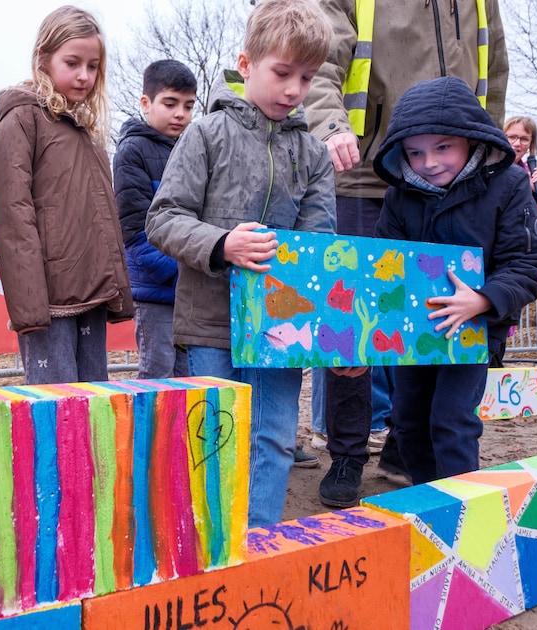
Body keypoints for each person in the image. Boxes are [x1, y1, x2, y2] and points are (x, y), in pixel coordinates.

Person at [147, 0, 352, 528]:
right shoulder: (205, 134)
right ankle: (213, 547)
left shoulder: (312, 153)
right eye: (282, 73)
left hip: (282, 329)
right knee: (214, 443)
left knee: (275, 438)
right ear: (246, 63)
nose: (294, 90)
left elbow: (319, 246)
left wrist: (330, 324)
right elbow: (164, 217)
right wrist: (222, 246)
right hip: (211, 325)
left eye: (306, 78)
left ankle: (258, 541)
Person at [304, 0, 509, 505]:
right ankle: (349, 452)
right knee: (354, 319)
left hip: (450, 180)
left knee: (437, 310)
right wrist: (331, 126)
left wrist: (491, 154)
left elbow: (495, 70)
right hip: (364, 168)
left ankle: (405, 443)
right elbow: (323, 56)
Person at [372, 76, 537, 484]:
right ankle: (426, 498)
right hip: (417, 329)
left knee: (451, 419)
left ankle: (461, 509)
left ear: (470, 140)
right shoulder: (399, 198)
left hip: (476, 327)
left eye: (442, 147)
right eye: (415, 152)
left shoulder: (508, 185)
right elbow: (385, 267)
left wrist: (484, 299)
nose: (429, 162)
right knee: (407, 419)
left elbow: (531, 259)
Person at [0, 6, 134, 384]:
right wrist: (29, 305)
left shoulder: (87, 129)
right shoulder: (22, 119)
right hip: (48, 302)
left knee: (94, 407)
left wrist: (114, 285)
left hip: (91, 295)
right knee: (56, 410)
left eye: (93, 65)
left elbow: (103, 216)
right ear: (44, 58)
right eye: (73, 62)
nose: (84, 76)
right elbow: (12, 215)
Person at [113, 59, 197, 380]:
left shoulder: (192, 148)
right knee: (157, 374)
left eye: (189, 106)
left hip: (188, 293)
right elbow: (135, 230)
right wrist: (178, 275)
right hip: (155, 291)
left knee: (188, 377)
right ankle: (148, 433)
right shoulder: (132, 151)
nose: (181, 114)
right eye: (170, 103)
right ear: (146, 103)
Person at [504, 115, 537, 222]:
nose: (517, 144)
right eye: (512, 137)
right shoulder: (487, 168)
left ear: (531, 144)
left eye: (524, 139)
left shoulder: (529, 176)